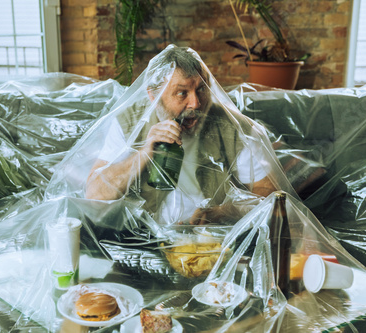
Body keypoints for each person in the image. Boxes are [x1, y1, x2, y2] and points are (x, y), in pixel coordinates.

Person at [85, 46, 279, 225]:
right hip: (142, 239)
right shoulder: (129, 123)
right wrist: (143, 153)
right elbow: (94, 195)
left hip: (210, 242)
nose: (195, 103)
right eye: (182, 93)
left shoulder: (231, 127)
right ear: (154, 96)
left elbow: (269, 193)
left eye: (201, 89)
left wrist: (222, 212)